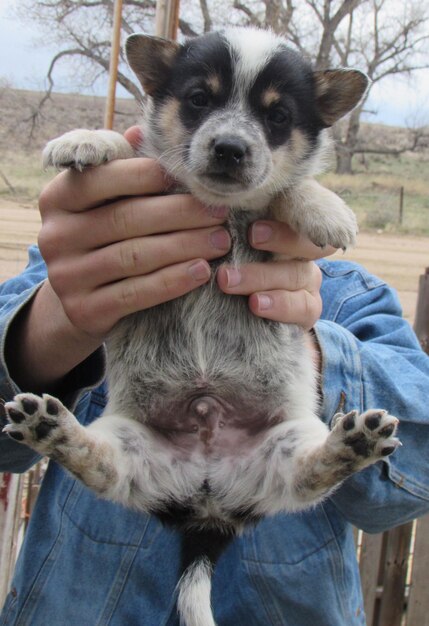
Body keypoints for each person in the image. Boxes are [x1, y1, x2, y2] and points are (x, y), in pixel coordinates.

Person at [1, 127, 428, 626]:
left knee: (301, 458)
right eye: (202, 103)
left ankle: (319, 460)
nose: (231, 138)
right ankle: (88, 451)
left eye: (270, 123)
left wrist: (307, 355)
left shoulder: (350, 295)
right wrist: (50, 324)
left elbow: (413, 477)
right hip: (79, 599)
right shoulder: (84, 255)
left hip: (273, 531)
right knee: (117, 453)